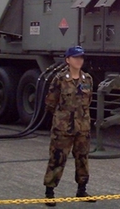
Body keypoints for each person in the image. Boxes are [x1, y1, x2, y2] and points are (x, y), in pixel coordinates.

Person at [43, 46, 95, 205]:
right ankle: (50, 192)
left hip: (82, 127)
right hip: (63, 127)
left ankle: (81, 190)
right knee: (57, 158)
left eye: (81, 58)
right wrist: (62, 118)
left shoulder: (87, 79)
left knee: (82, 159)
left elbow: (88, 101)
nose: (79, 60)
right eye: (75, 57)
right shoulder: (60, 79)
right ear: (67, 60)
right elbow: (51, 102)